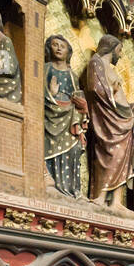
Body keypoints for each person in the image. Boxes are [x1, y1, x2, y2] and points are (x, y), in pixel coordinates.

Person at [83, 35, 134, 204]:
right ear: (113, 48)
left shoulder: (109, 68)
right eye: (120, 50)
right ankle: (101, 197)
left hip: (122, 119)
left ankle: (117, 202)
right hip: (108, 120)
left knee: (122, 156)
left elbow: (118, 100)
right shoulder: (96, 63)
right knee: (111, 154)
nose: (121, 55)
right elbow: (95, 89)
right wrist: (113, 90)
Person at [43, 34, 86, 197]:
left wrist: (83, 105)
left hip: (70, 119)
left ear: (69, 51)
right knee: (49, 148)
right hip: (50, 116)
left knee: (73, 150)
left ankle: (70, 190)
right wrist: (51, 95)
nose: (59, 48)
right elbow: (35, 91)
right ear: (49, 49)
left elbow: (78, 98)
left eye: (62, 45)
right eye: (55, 45)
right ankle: (52, 187)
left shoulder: (73, 75)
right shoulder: (45, 68)